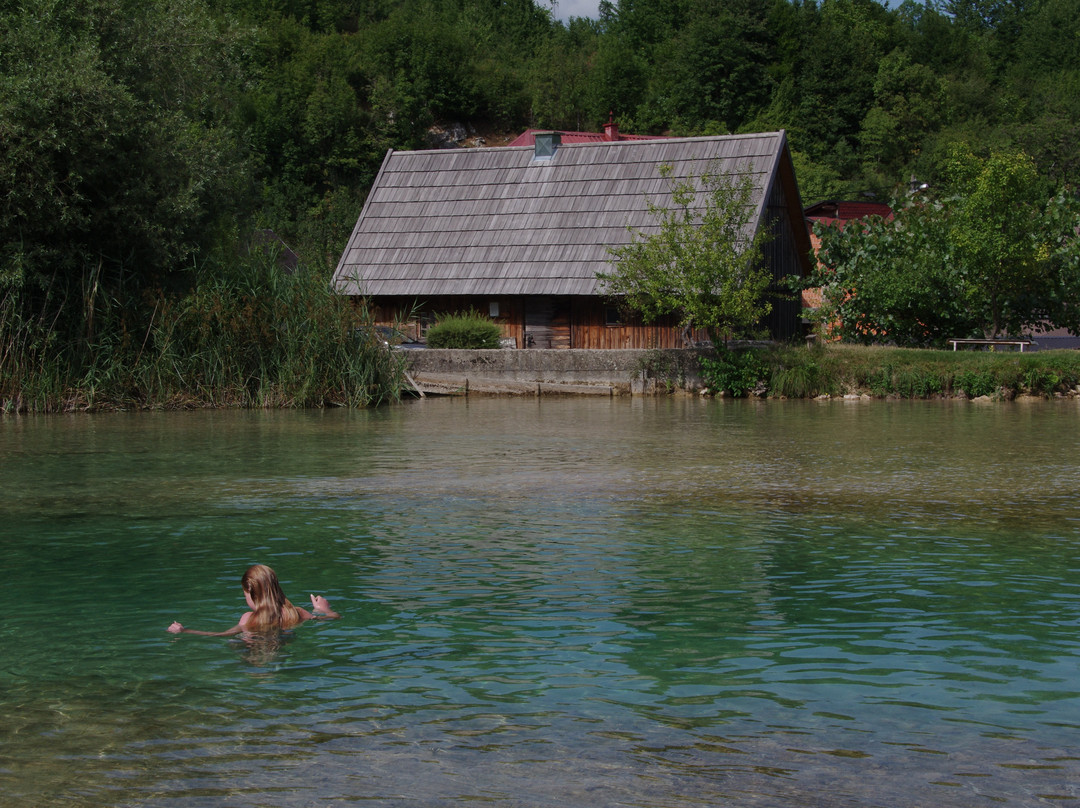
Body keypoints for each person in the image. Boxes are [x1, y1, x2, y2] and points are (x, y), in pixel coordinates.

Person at [168, 563, 340, 636]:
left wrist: (185, 630)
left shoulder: (248, 619)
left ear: (252, 595)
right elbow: (333, 618)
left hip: (253, 653)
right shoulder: (297, 613)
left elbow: (220, 635)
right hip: (283, 651)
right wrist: (324, 609)